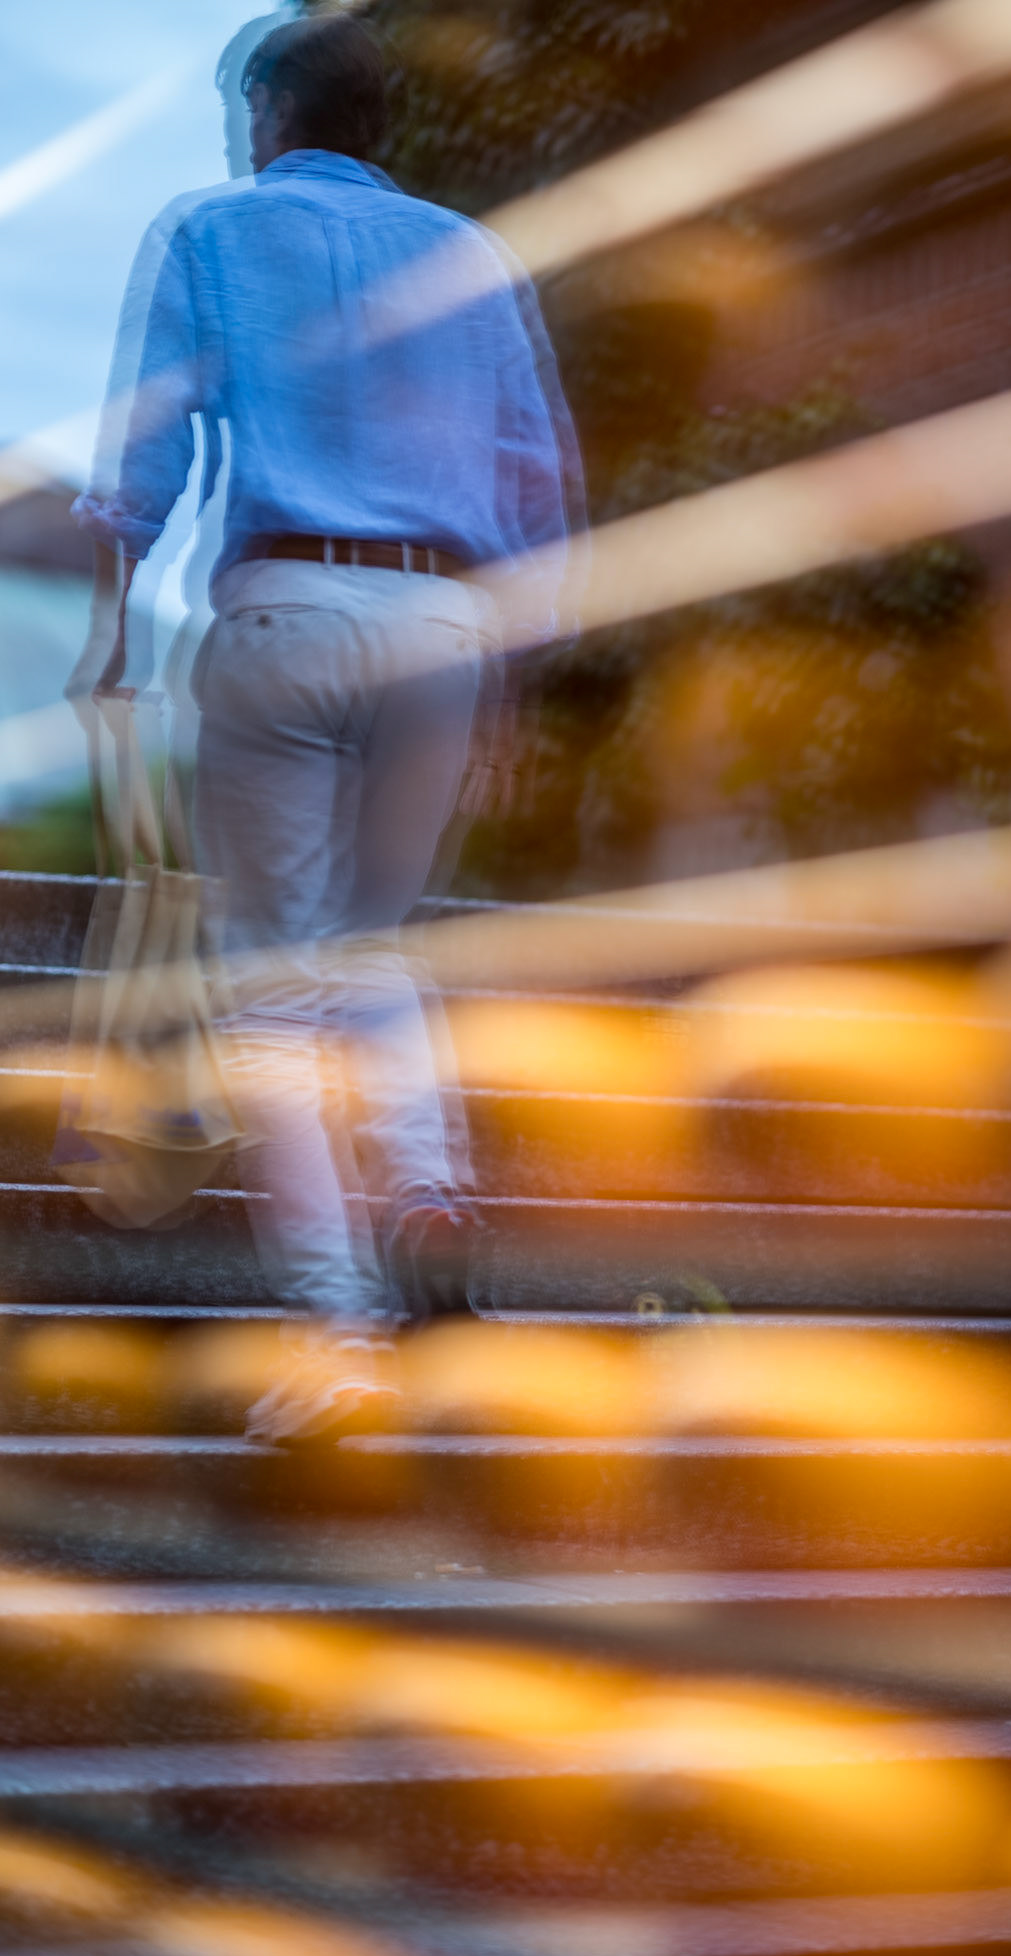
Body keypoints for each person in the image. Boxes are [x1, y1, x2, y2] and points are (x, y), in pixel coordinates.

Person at [70, 15, 583, 1446]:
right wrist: (520, 683)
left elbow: (144, 452)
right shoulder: (475, 256)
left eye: (249, 105)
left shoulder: (216, 230)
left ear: (276, 109)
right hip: (445, 635)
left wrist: (113, 635)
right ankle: (425, 1179)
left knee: (277, 994)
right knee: (375, 945)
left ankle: (339, 1333)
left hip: (289, 609)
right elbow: (539, 481)